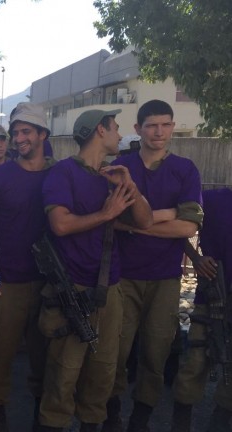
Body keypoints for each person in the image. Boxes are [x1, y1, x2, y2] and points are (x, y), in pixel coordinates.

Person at [39, 109, 152, 431]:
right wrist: (106, 214)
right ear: (100, 131)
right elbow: (60, 224)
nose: (119, 134)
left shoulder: (114, 175)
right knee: (62, 378)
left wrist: (129, 186)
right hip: (71, 291)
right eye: (115, 128)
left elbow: (144, 221)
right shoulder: (63, 173)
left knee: (103, 376)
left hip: (109, 291)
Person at [104, 100, 203, 432]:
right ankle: (113, 416)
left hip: (165, 278)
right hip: (123, 276)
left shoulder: (185, 170)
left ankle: (140, 420)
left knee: (156, 353)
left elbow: (188, 227)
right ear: (138, 129)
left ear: (173, 127)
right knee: (115, 352)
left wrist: (138, 222)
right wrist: (168, 213)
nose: (158, 131)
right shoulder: (121, 167)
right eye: (151, 125)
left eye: (165, 124)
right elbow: (110, 220)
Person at [0, 103, 56, 431]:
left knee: (45, 355)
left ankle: (43, 413)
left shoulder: (60, 175)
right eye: (16, 133)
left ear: (42, 134)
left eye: (26, 131)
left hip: (50, 283)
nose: (19, 138)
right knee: (1, 355)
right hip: (7, 282)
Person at [170, 187, 232, 432]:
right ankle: (180, 423)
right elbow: (178, 225)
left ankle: (220, 420)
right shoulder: (213, 199)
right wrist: (195, 258)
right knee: (195, 360)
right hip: (213, 294)